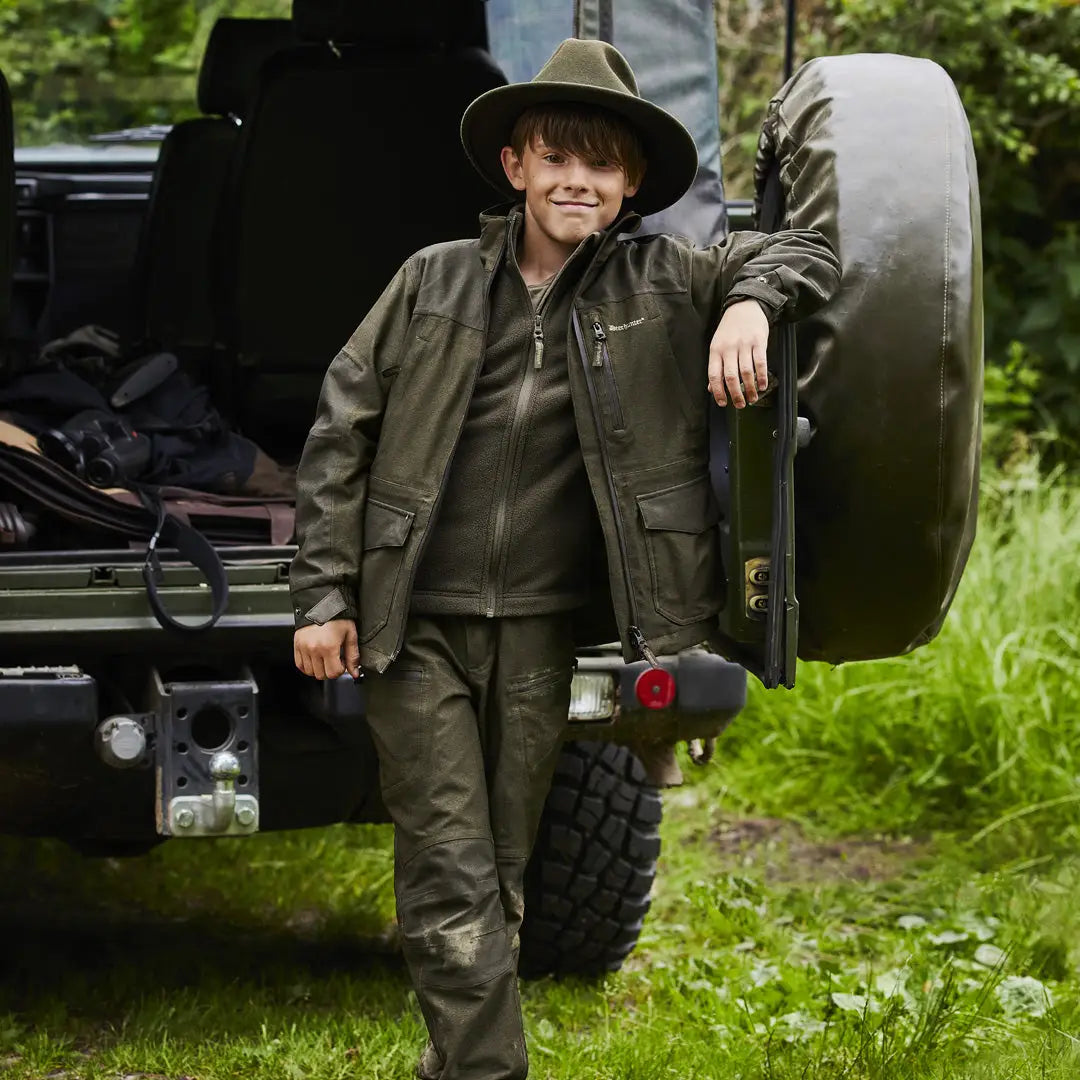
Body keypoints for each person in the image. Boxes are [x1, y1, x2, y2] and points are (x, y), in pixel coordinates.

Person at [290, 38, 840, 1080]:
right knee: (451, 864)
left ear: (631, 183)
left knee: (499, 869)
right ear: (516, 167)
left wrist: (745, 305)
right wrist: (324, 593)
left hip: (543, 629)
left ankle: (454, 1061)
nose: (575, 181)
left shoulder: (667, 280)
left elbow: (803, 248)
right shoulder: (433, 282)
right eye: (556, 158)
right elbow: (339, 435)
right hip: (417, 627)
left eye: (600, 165)